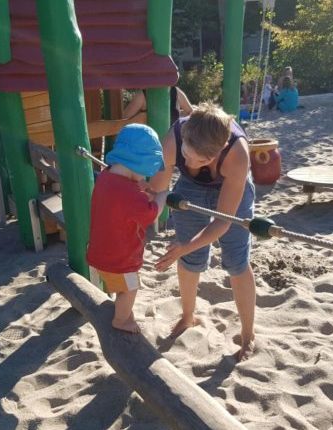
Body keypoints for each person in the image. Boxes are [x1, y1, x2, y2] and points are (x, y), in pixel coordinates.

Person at [150, 103, 257, 361]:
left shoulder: (237, 153)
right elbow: (157, 190)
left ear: (220, 150)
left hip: (232, 189)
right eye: (186, 155)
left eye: (202, 160)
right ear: (184, 137)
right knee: (189, 258)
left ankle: (247, 334)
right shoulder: (174, 137)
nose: (190, 162)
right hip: (190, 187)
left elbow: (223, 222)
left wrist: (184, 247)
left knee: (236, 261)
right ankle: (188, 317)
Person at [87, 124, 169, 334]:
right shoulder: (131, 194)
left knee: (120, 286)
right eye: (144, 175)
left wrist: (138, 186)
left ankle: (122, 311)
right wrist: (162, 195)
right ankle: (121, 320)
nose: (145, 180)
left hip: (98, 252)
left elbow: (122, 196)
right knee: (131, 288)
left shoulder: (105, 177)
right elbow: (151, 214)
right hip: (120, 261)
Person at [122, 86, 194, 124]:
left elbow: (191, 113)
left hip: (173, 144)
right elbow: (122, 121)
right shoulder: (142, 95)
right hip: (149, 146)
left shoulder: (176, 91)